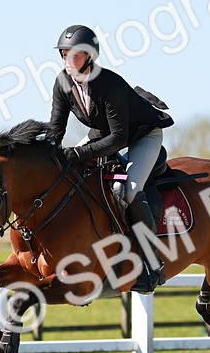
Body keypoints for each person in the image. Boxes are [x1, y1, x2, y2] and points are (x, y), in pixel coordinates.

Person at [45, 24, 175, 294]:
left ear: (90, 56)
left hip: (141, 136)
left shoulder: (110, 83)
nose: (68, 61)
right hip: (103, 133)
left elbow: (118, 138)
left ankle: (151, 264)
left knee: (128, 189)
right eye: (63, 54)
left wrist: (79, 153)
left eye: (75, 55)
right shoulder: (62, 83)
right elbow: (56, 130)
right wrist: (46, 154)